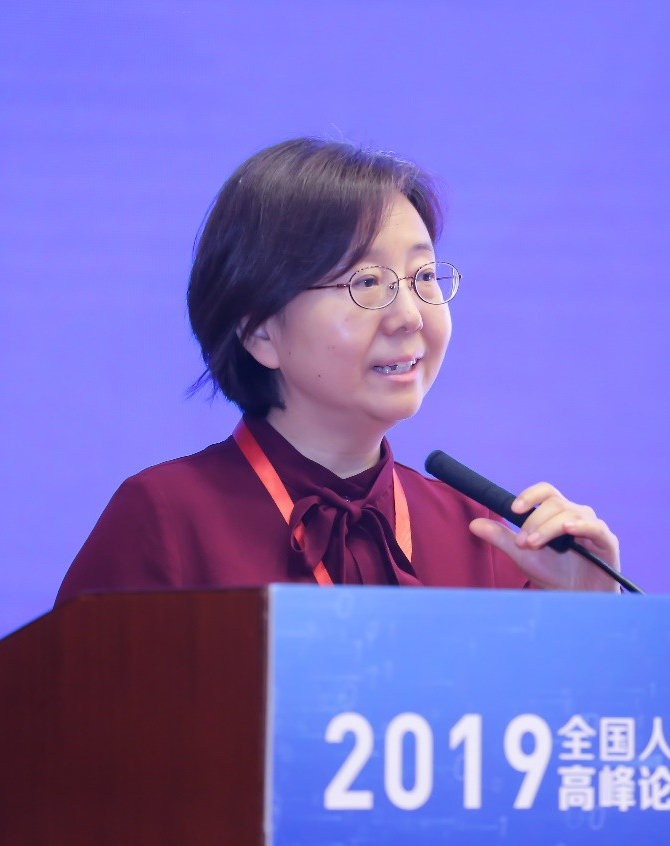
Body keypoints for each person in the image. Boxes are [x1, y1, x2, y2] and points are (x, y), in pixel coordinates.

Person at [55, 138, 619, 605]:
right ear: (260, 332)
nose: (409, 316)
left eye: (424, 276)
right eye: (366, 283)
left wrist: (590, 612)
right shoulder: (166, 519)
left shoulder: (481, 536)